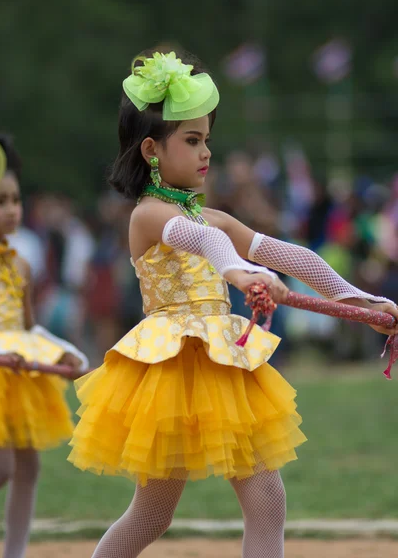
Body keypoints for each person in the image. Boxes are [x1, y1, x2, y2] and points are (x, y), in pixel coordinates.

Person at [68, 50, 398, 558]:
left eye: (208, 141)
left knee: (267, 503)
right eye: (193, 140)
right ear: (152, 149)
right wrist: (240, 273)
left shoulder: (213, 217)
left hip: (223, 366)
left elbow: (291, 254)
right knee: (151, 515)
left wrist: (362, 298)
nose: (206, 153)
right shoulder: (149, 216)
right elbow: (202, 243)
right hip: (170, 374)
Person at [0, 134, 88, 558]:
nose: (11, 210)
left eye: (14, 199)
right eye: (0, 201)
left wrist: (66, 352)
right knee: (2, 468)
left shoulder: (21, 264)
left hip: (18, 378)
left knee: (27, 468)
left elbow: (29, 328)